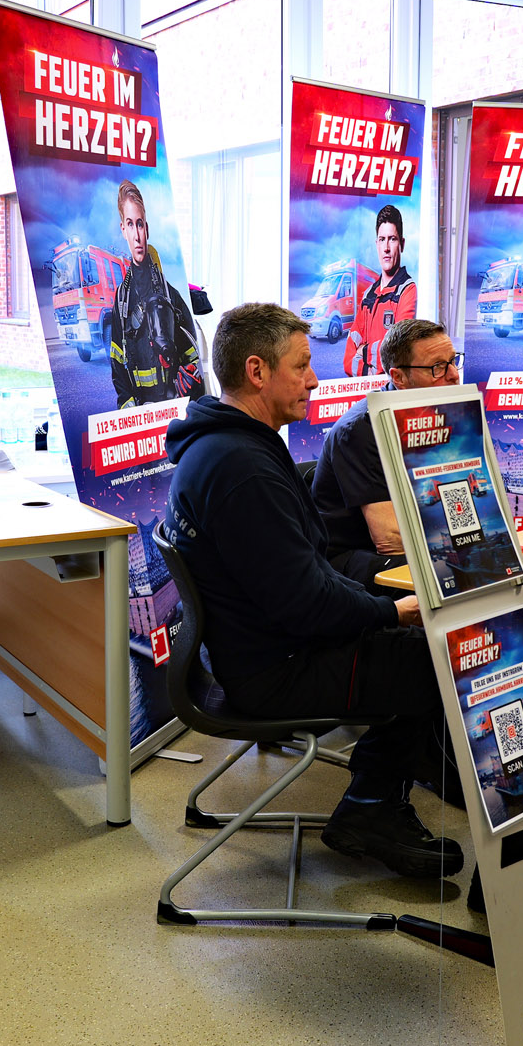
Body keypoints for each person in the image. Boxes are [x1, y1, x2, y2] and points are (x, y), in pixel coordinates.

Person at [163, 303, 461, 879]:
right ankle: (371, 808)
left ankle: (395, 779)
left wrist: (384, 610)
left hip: (256, 650)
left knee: (417, 638)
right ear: (257, 371)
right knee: (438, 655)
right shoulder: (243, 469)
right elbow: (308, 604)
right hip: (273, 673)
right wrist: (391, 612)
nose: (315, 379)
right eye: (301, 366)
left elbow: (308, 577)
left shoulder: (231, 446)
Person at [314, 319, 457, 592]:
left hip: (420, 542)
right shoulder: (361, 430)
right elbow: (389, 539)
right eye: (437, 367)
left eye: (453, 361)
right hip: (349, 560)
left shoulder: (446, 415)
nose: (452, 375)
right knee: (459, 575)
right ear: (398, 377)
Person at [106, 180, 203, 408]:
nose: (137, 235)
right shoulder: (122, 299)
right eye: (130, 224)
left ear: (147, 229)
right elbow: (118, 364)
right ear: (123, 230)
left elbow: (194, 357)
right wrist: (128, 407)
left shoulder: (171, 296)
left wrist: (191, 383)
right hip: (140, 415)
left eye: (140, 224)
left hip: (174, 410)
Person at [344, 204, 417, 376]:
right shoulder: (368, 295)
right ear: (376, 244)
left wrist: (362, 351)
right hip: (365, 390)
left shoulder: (407, 290)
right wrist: (372, 365)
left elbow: (397, 352)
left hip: (391, 391)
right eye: (382, 239)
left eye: (392, 239)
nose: (386, 248)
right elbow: (347, 360)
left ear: (402, 244)